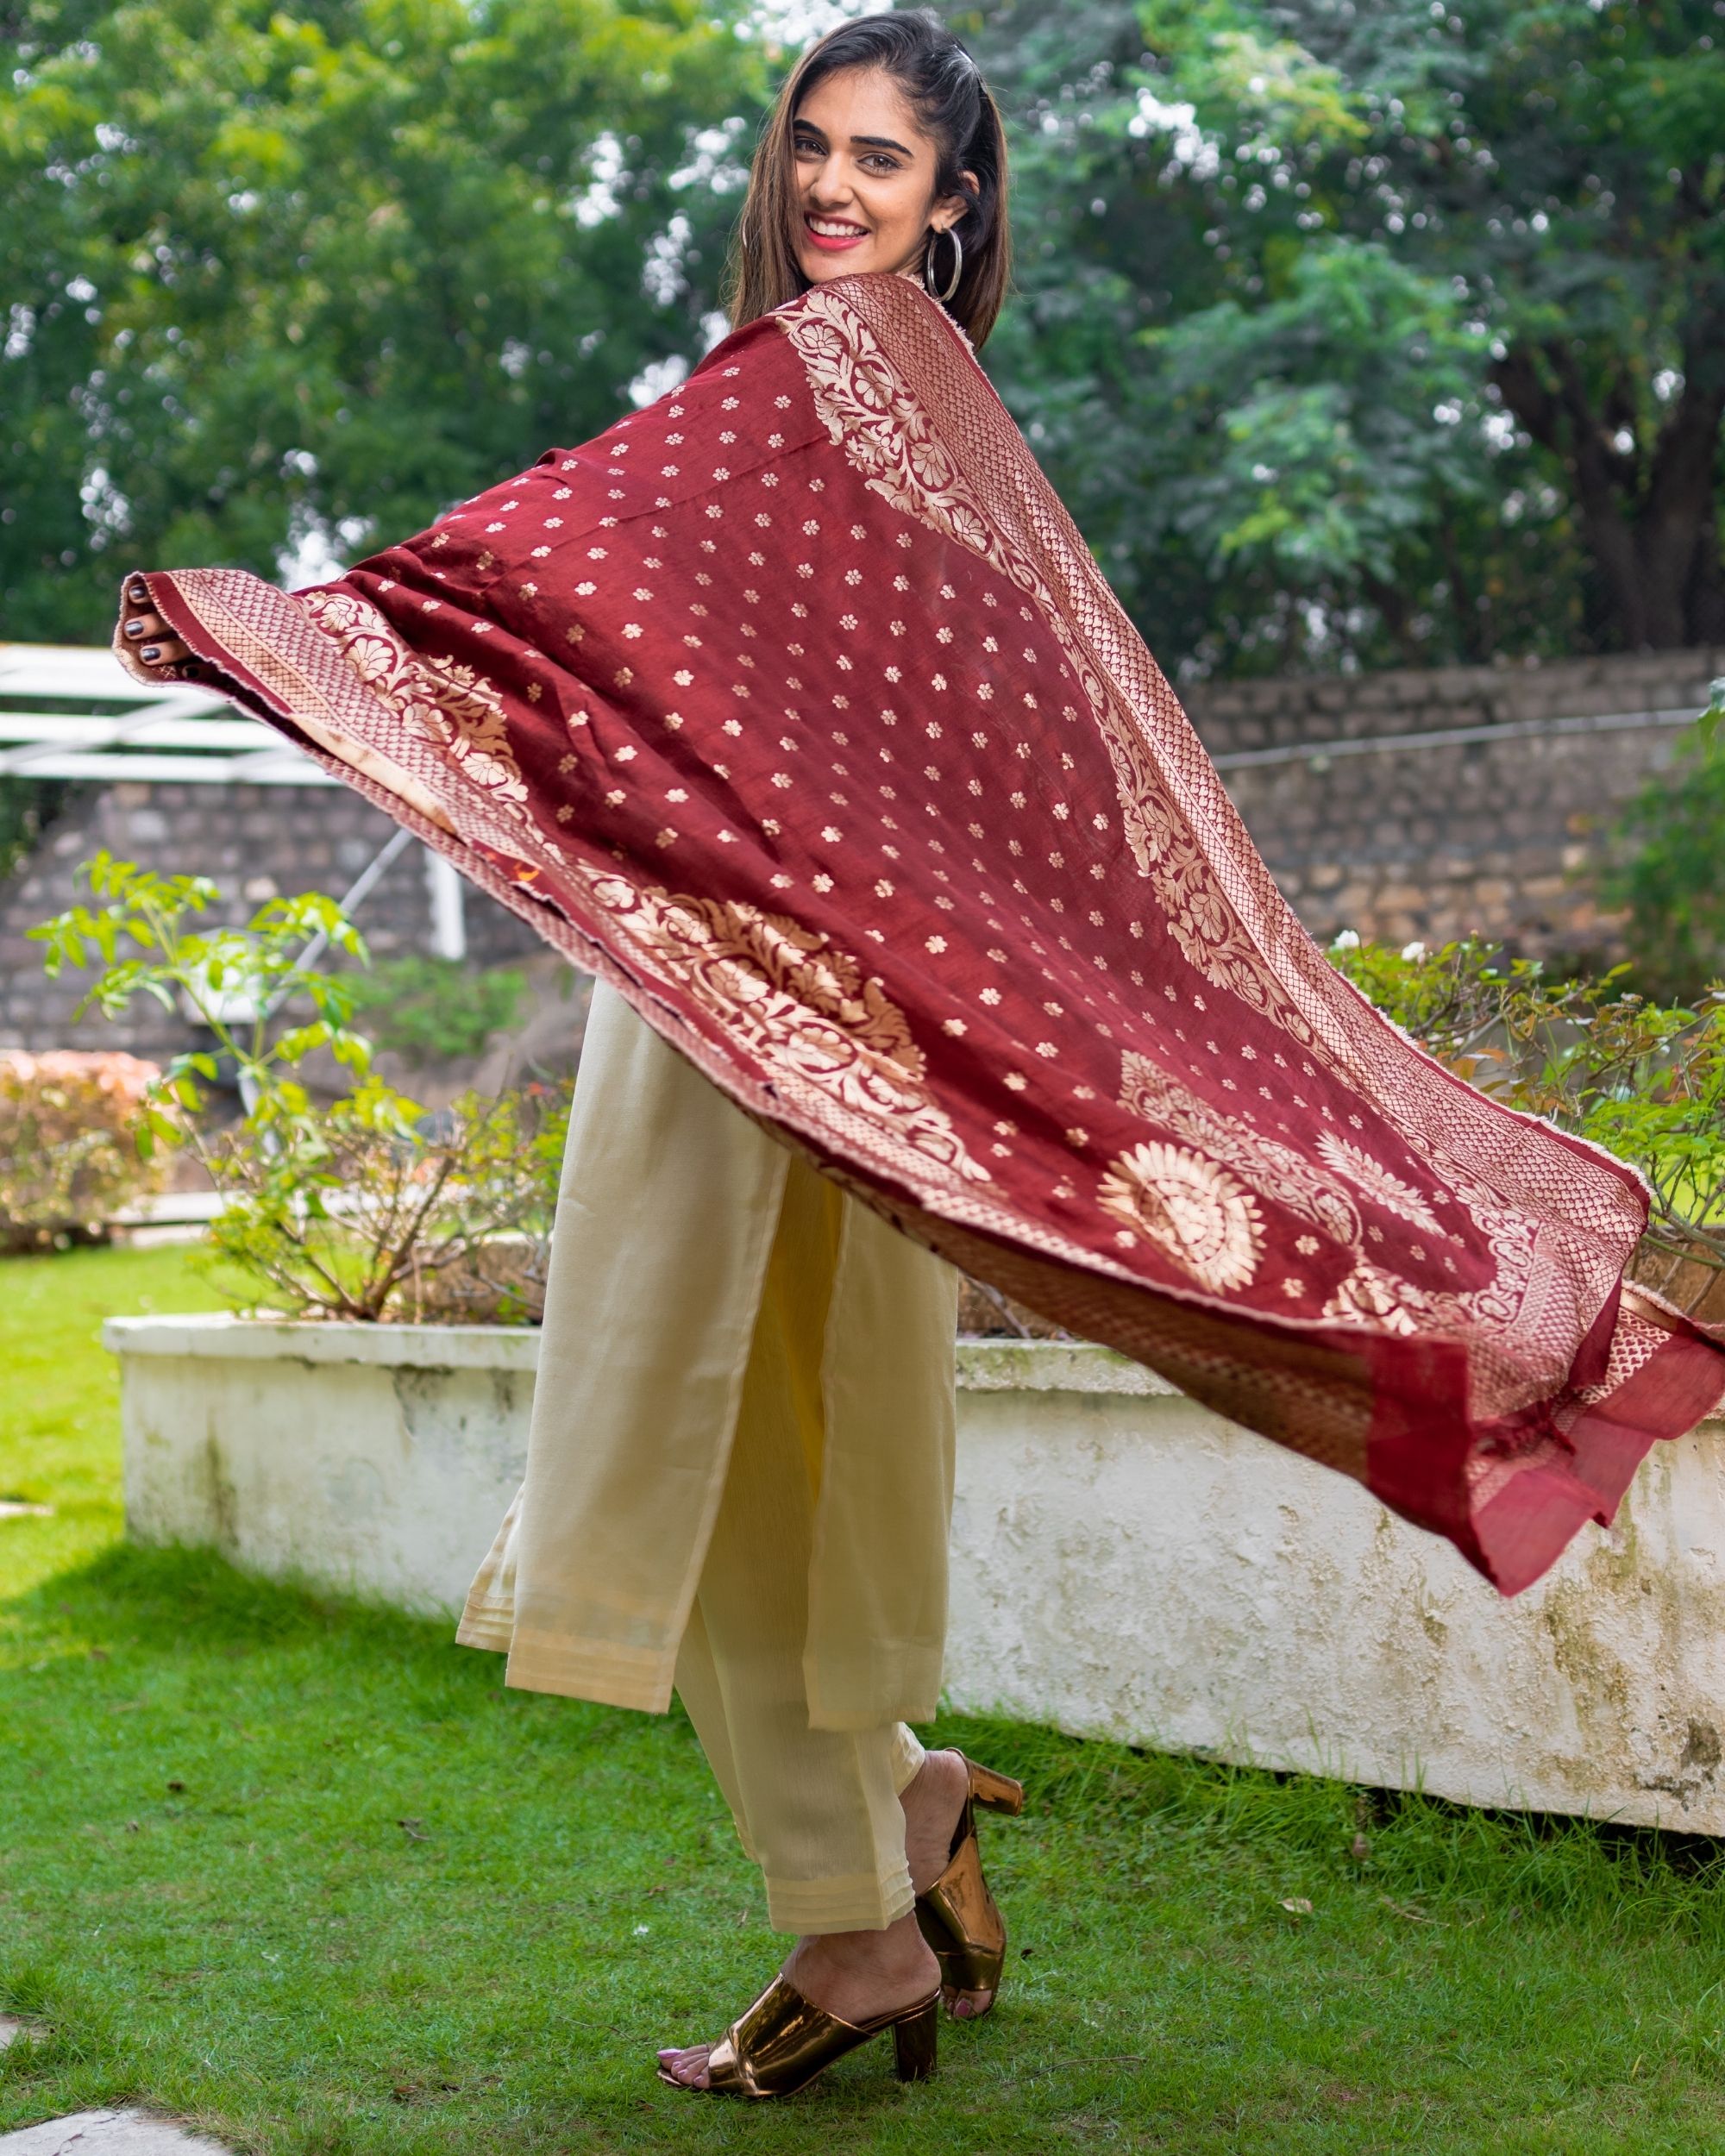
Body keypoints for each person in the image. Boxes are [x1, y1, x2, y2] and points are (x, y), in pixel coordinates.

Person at [116, 3, 1725, 2109]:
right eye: (810, 147)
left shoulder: (851, 380)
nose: (832, 189)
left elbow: (790, 656)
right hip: (785, 1013)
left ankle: (862, 1921)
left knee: (692, 1464)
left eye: (880, 162)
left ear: (954, 199)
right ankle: (899, 1804)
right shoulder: (876, 401)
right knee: (769, 1463)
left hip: (817, 1034)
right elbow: (601, 594)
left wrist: (287, 625)